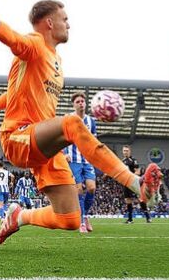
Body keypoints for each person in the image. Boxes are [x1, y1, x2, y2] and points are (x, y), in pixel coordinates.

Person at [0, 0, 163, 245]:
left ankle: (19, 216)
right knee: (72, 123)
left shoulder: (56, 60)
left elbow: (13, 91)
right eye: (64, 19)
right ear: (48, 23)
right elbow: (15, 40)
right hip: (18, 137)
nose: (69, 24)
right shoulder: (35, 43)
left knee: (68, 218)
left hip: (41, 143)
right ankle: (136, 183)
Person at [63, 92, 98, 233]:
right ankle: (82, 220)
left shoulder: (91, 121)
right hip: (73, 159)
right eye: (78, 101)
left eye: (82, 101)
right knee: (79, 190)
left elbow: (93, 141)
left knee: (91, 188)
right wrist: (64, 154)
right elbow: (62, 138)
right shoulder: (68, 118)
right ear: (74, 104)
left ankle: (85, 215)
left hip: (87, 160)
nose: (81, 103)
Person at [121, 146, 150, 224]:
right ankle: (130, 219)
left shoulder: (133, 160)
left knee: (140, 199)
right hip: (126, 183)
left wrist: (131, 177)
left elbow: (137, 172)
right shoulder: (122, 161)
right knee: (128, 200)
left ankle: (148, 217)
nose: (125, 152)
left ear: (130, 151)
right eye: (124, 151)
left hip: (133, 182)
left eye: (127, 151)